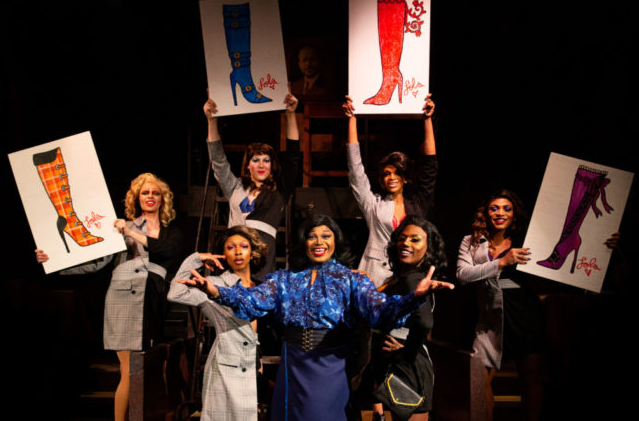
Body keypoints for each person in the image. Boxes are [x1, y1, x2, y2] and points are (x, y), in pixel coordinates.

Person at [179, 213, 454, 421]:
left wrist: (412, 298)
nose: (319, 242)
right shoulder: (284, 279)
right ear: (303, 241)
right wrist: (216, 290)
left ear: (336, 240)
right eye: (312, 236)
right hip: (293, 364)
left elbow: (380, 311)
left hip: (330, 365)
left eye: (326, 235)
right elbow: (252, 302)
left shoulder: (351, 279)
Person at [36, 173, 184, 421]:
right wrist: (52, 261)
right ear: (137, 198)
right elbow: (96, 263)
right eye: (144, 193)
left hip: (153, 300)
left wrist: (129, 230)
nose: (150, 197)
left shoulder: (170, 232)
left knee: (148, 369)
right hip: (123, 298)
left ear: (163, 199)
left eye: (155, 193)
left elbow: (164, 250)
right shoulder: (120, 229)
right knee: (129, 371)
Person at [455, 189, 542, 421]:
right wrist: (502, 262)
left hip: (524, 314)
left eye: (507, 208)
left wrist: (606, 246)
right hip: (488, 319)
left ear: (515, 214)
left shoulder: (528, 240)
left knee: (531, 380)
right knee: (479, 382)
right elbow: (463, 275)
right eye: (494, 208)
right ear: (486, 213)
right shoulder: (471, 242)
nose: (500, 213)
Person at [168, 226, 268, 420]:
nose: (238, 251)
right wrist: (195, 259)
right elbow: (175, 293)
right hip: (226, 364)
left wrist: (258, 359)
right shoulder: (214, 283)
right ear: (223, 254)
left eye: (244, 246)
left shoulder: (261, 286)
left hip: (253, 364)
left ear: (252, 252)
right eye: (231, 247)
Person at [342, 94, 438, 289]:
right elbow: (356, 171)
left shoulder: (417, 205)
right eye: (387, 174)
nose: (392, 177)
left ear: (405, 177)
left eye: (397, 173)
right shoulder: (373, 205)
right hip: (376, 277)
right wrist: (352, 119)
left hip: (408, 276)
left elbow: (430, 168)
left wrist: (427, 120)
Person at [204, 93, 300, 282]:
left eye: (266, 160)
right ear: (248, 165)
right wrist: (211, 120)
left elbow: (293, 156)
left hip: (262, 258)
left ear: (272, 165)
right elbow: (218, 161)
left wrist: (290, 114)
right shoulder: (235, 188)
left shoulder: (279, 191)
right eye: (255, 160)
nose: (262, 164)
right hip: (235, 254)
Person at [371, 215, 448, 421]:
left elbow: (424, 322)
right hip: (397, 363)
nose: (406, 243)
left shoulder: (414, 278)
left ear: (429, 248)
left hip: (409, 366)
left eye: (415, 239)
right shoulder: (403, 277)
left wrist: (405, 353)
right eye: (402, 238)